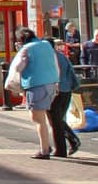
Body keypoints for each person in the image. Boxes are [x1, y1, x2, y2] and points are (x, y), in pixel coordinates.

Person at [8, 28, 61, 159]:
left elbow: (18, 67)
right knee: (43, 117)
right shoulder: (47, 45)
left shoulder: (26, 49)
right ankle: (46, 145)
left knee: (38, 119)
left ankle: (44, 150)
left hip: (35, 85)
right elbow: (55, 64)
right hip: (51, 84)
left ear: (21, 40)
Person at [49, 45, 82, 160]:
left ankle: (64, 146)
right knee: (58, 119)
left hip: (56, 91)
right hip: (66, 90)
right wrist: (74, 85)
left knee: (55, 120)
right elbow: (71, 71)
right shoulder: (62, 56)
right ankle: (72, 141)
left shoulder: (50, 57)